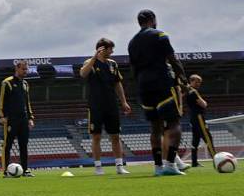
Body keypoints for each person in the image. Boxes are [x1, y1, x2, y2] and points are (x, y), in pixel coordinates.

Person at [127, 9, 188, 176]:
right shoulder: (159, 35)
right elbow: (172, 59)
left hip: (143, 86)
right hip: (162, 82)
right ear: (153, 19)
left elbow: (133, 70)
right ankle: (170, 164)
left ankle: (158, 167)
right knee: (174, 122)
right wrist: (183, 80)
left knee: (155, 127)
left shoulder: (132, 43)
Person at [79, 38, 133, 175]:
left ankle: (119, 166)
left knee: (115, 135)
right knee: (96, 137)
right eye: (110, 49)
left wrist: (124, 102)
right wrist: (94, 57)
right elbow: (83, 74)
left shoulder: (113, 64)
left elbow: (117, 84)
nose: (112, 51)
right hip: (95, 105)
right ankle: (98, 167)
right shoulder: (89, 62)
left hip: (111, 105)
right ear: (102, 49)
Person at [0, 61, 35, 177]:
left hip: (23, 119)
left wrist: (30, 118)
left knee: (23, 145)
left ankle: (25, 170)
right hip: (11, 119)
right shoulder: (7, 83)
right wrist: (1, 116)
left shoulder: (25, 84)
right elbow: (1, 101)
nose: (26, 71)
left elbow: (27, 102)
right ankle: (5, 171)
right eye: (23, 69)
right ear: (17, 69)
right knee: (7, 145)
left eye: (26, 69)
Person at [186, 74, 215, 167]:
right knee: (208, 138)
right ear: (191, 81)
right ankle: (216, 159)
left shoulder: (187, 90)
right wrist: (205, 102)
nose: (198, 84)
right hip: (198, 117)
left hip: (193, 117)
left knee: (195, 140)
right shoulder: (193, 92)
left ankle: (194, 162)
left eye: (200, 82)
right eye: (196, 81)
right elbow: (203, 104)